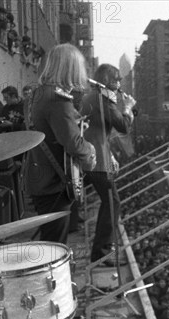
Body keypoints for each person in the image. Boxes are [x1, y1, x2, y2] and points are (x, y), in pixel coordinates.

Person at [24, 44, 96, 244]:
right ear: (70, 68)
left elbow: (47, 131)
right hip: (54, 183)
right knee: (55, 247)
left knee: (50, 241)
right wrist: (91, 154)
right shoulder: (58, 99)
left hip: (39, 177)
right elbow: (73, 144)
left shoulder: (36, 94)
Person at [79, 63, 135, 263]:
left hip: (92, 156)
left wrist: (110, 155)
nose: (120, 83)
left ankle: (100, 247)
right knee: (112, 202)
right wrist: (128, 108)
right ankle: (101, 251)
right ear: (108, 81)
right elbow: (123, 126)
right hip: (96, 160)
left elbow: (99, 131)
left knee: (107, 200)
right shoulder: (103, 100)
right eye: (117, 80)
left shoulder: (93, 97)